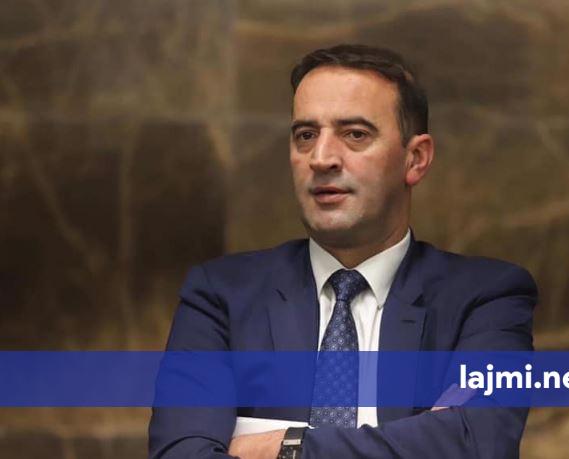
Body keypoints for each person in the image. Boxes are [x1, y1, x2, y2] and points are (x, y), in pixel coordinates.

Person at [148, 44, 538, 459]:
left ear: (415, 159)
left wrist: (284, 447)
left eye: (355, 134)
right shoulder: (221, 296)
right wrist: (420, 438)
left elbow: (476, 443)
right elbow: (179, 453)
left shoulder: (485, 298)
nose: (321, 158)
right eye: (306, 135)